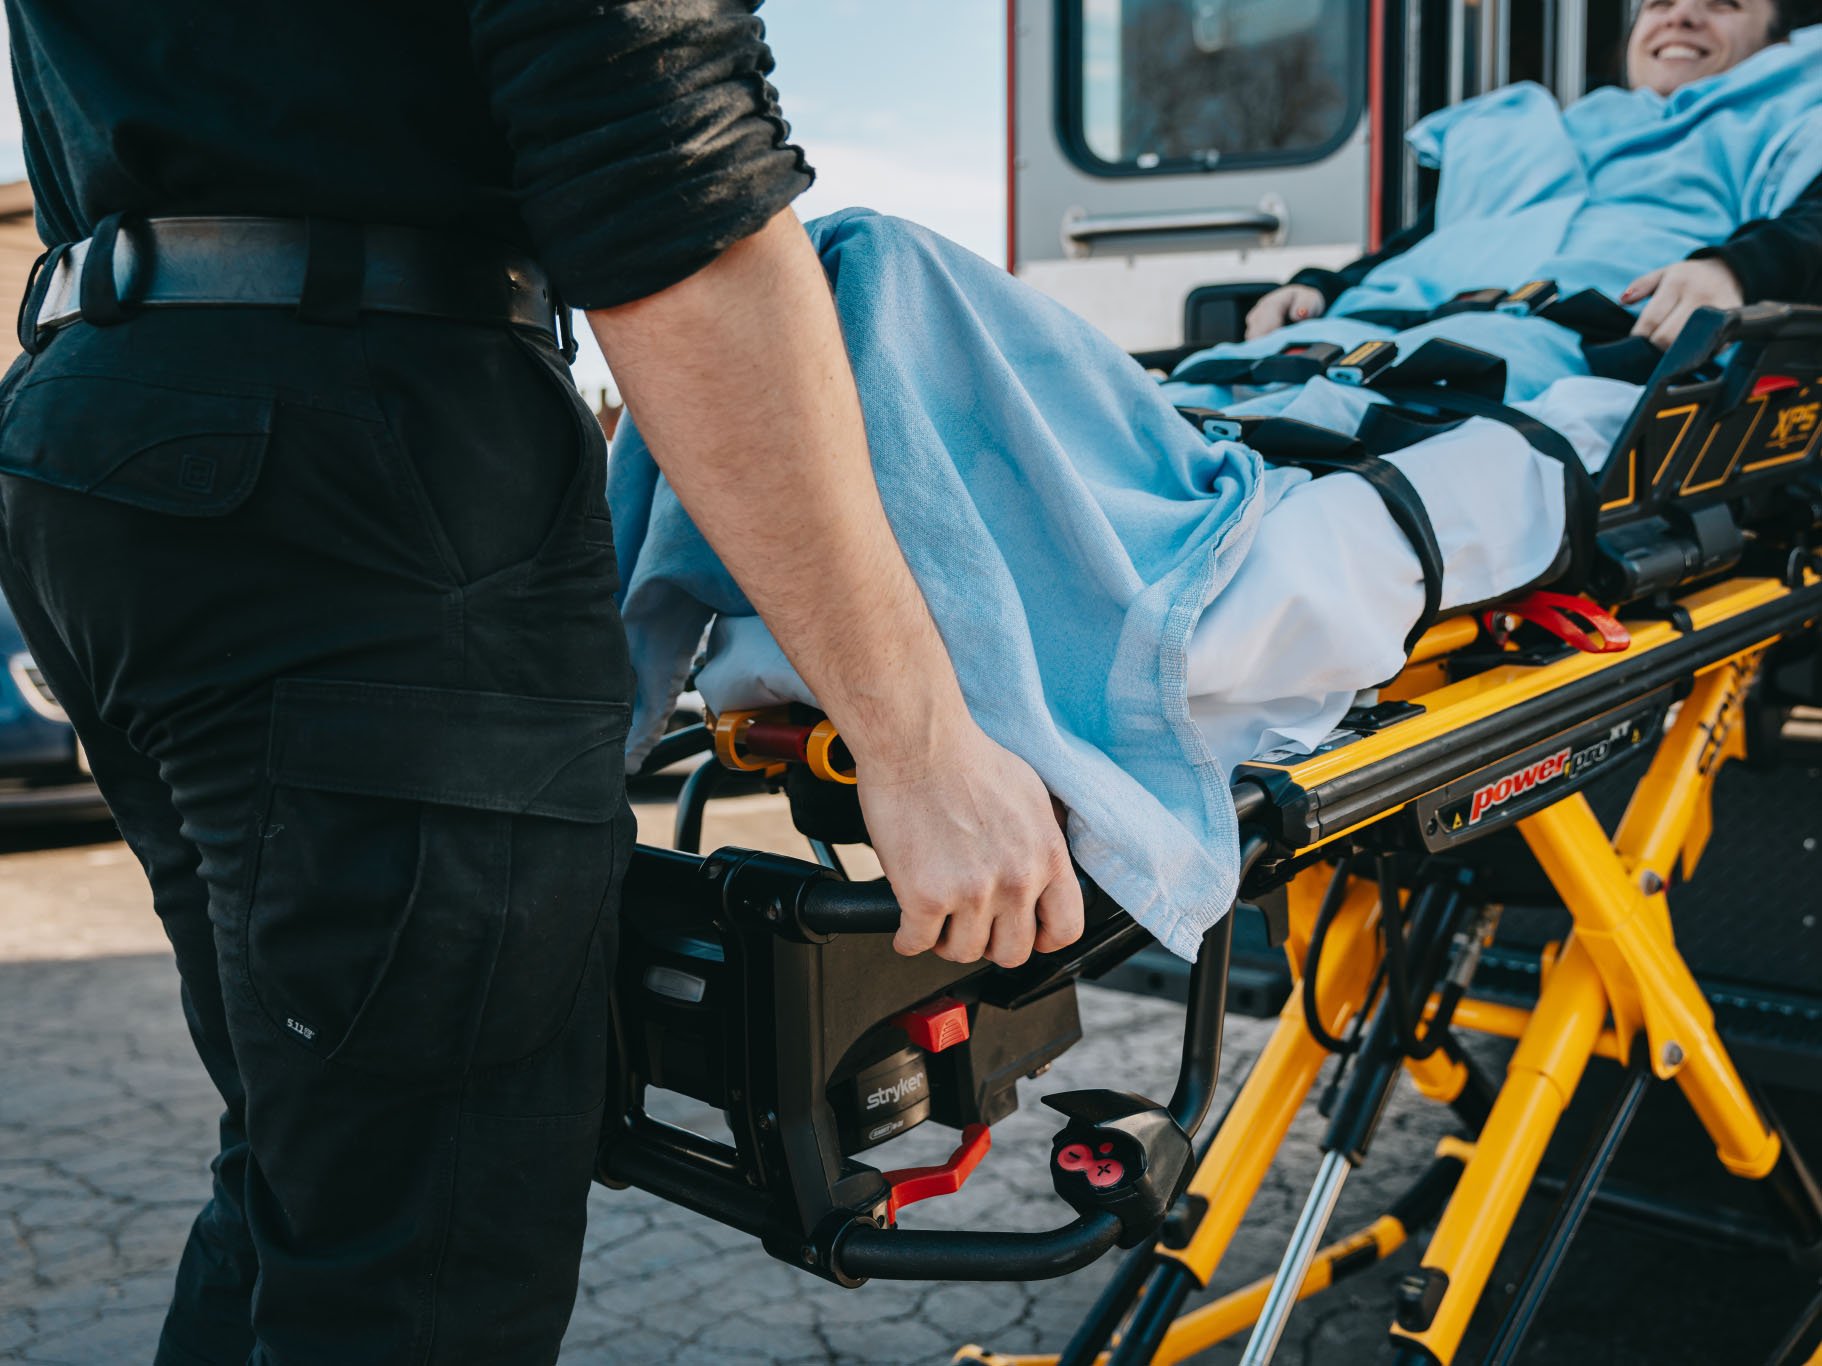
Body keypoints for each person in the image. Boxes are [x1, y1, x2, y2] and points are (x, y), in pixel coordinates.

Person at [0, 3, 1079, 1363]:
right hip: (362, 464)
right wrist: (918, 742)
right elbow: (664, 181)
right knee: (421, 1260)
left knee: (320, 1173)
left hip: (111, 433)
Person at [1246, 0, 1822, 346]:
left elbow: (1810, 226)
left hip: (1542, 347)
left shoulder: (1785, 127)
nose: (1682, 17)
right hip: (1364, 334)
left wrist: (1737, 270)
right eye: (1658, 5)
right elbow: (1428, 242)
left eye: (1723, 3)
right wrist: (1320, 287)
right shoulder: (1542, 132)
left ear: (1779, 44)